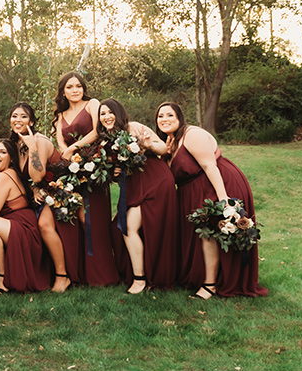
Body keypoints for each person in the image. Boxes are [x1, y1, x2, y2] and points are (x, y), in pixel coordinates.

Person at [154, 102, 268, 299]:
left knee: (210, 233)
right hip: (192, 190)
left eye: (169, 115)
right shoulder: (170, 142)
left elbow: (210, 166)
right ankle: (202, 277)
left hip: (216, 183)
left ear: (179, 117)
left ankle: (210, 285)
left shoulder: (192, 135)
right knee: (202, 234)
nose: (164, 119)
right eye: (160, 116)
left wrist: (224, 201)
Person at [95, 98, 178, 294]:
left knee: (129, 226)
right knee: (123, 228)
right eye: (102, 114)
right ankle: (137, 273)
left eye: (110, 112)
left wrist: (147, 145)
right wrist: (115, 170)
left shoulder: (133, 127)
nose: (107, 117)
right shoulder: (106, 138)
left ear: (119, 112)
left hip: (155, 180)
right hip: (134, 185)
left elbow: (163, 148)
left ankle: (140, 280)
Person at [52, 71, 119, 287]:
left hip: (93, 166)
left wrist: (74, 148)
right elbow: (59, 142)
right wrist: (67, 154)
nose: (75, 90)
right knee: (77, 217)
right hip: (71, 169)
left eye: (78, 86)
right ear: (63, 91)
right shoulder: (60, 115)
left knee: (94, 219)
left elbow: (98, 131)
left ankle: (103, 275)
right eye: (70, 87)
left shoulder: (92, 105)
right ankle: (80, 272)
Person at [8, 102, 71, 293]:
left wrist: (33, 148)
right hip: (40, 192)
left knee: (44, 224)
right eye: (14, 116)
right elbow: (25, 177)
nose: (18, 120)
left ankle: (62, 276)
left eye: (23, 116)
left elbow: (37, 175)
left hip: (60, 190)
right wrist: (34, 189)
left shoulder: (40, 141)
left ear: (32, 121)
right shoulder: (15, 143)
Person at [0, 139, 50, 294]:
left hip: (23, 230)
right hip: (29, 228)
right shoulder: (15, 173)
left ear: (11, 158)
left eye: (3, 152)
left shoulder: (2, 177)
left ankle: (4, 278)